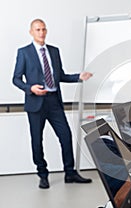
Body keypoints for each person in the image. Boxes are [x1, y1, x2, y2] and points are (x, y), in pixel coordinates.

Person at [12, 18, 93, 189]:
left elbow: (60, 76)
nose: (41, 33)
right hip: (35, 103)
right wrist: (30, 88)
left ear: (46, 31)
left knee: (65, 135)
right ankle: (43, 174)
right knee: (37, 140)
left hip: (54, 101)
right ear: (31, 32)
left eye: (43, 29)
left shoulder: (54, 51)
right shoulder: (24, 52)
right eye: (37, 30)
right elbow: (16, 79)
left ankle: (70, 173)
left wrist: (79, 76)